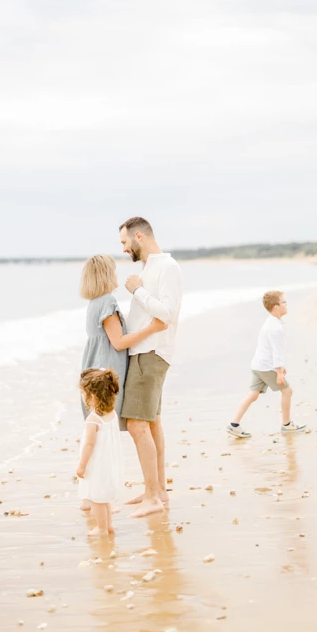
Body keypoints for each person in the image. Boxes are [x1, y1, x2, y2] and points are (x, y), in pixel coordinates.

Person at [79, 254, 166, 510]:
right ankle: (95, 495)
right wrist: (152, 328)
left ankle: (87, 496)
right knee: (103, 435)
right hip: (106, 375)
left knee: (94, 432)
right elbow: (118, 342)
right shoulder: (107, 302)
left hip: (93, 370)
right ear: (106, 274)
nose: (116, 275)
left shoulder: (94, 303)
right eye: (113, 270)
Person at [119, 217, 183, 518]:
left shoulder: (167, 267)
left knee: (136, 424)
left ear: (139, 236)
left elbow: (167, 313)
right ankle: (156, 491)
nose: (123, 249)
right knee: (152, 422)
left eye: (124, 242)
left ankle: (153, 496)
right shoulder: (151, 268)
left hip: (151, 352)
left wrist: (137, 291)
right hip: (145, 352)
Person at [226, 291, 306, 438]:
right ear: (276, 307)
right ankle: (287, 424)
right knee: (287, 391)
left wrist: (280, 368)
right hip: (266, 366)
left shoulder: (272, 322)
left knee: (253, 395)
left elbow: (270, 349)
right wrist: (279, 372)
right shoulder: (275, 328)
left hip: (258, 365)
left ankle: (234, 424)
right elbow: (277, 352)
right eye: (284, 302)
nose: (286, 305)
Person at [76, 368, 125, 536]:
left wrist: (81, 466)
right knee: (104, 498)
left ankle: (102, 528)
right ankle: (108, 525)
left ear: (93, 396)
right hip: (108, 463)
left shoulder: (93, 420)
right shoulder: (111, 414)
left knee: (97, 498)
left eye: (83, 393)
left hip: (96, 465)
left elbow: (89, 444)